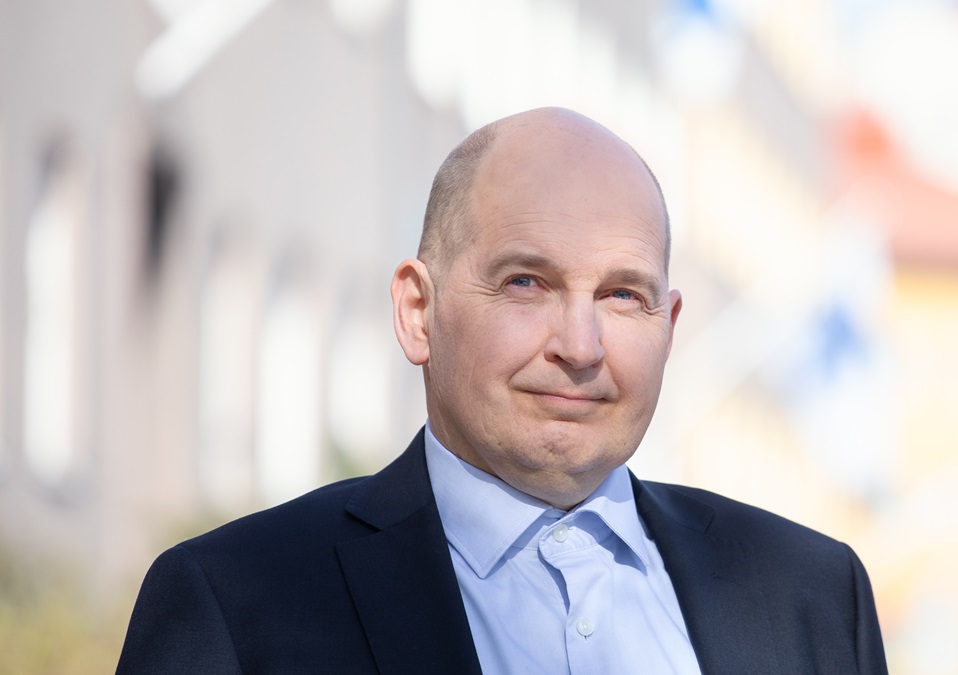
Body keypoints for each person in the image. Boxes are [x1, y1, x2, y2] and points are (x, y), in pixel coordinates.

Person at [116, 107, 888, 674]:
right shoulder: (237, 603)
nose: (580, 346)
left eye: (623, 295)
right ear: (417, 311)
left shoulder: (814, 597)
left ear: (669, 325)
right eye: (526, 282)